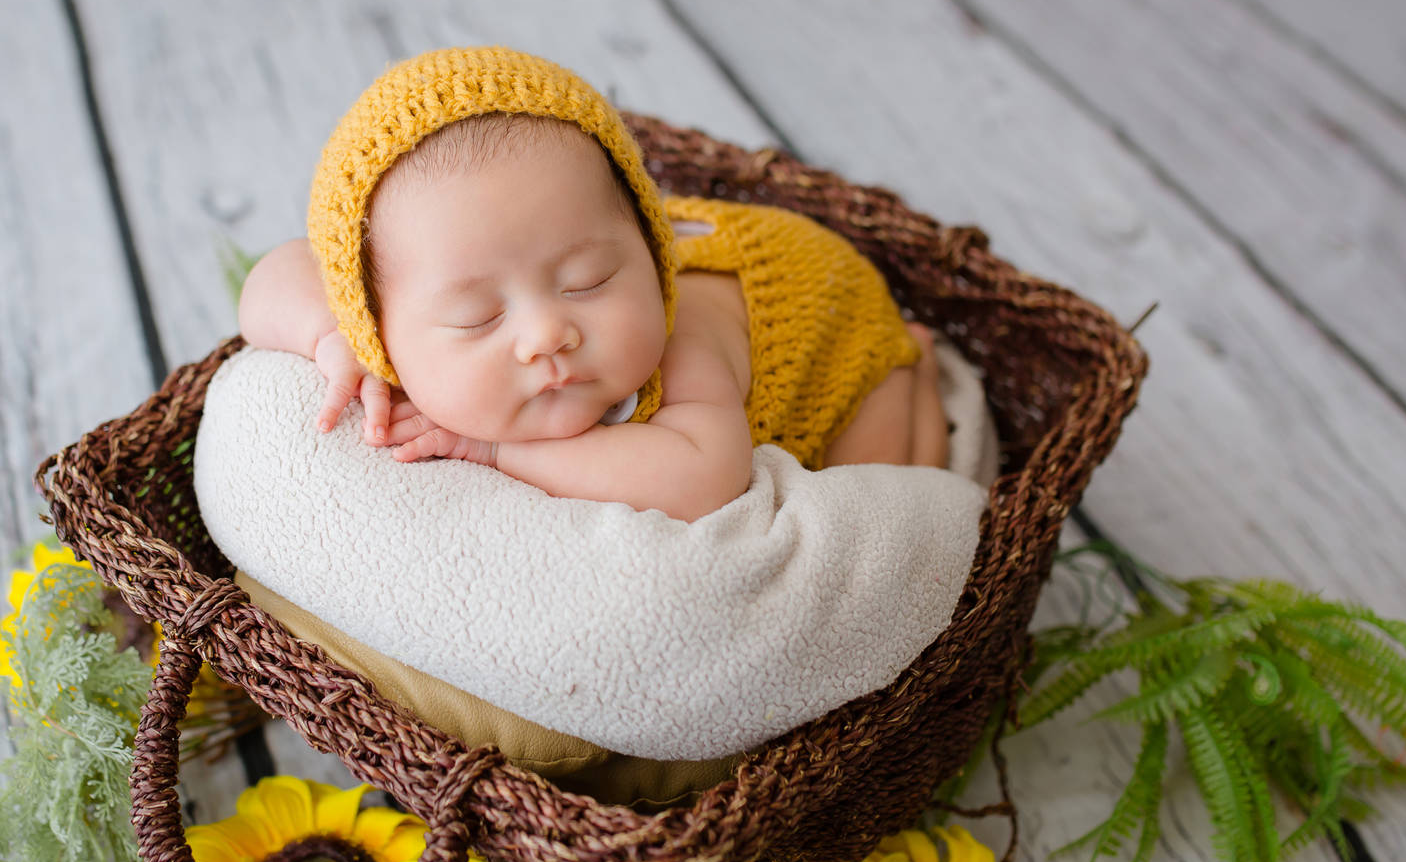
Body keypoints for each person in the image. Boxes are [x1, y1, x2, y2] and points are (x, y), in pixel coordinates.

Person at [239, 46, 948, 523]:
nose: (548, 332)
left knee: (871, 504)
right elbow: (275, 276)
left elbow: (705, 477)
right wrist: (331, 339)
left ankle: (914, 365)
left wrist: (498, 451)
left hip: (835, 322)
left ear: (649, 250)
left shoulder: (686, 340)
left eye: (589, 280)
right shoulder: (381, 308)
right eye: (479, 317)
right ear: (378, 324)